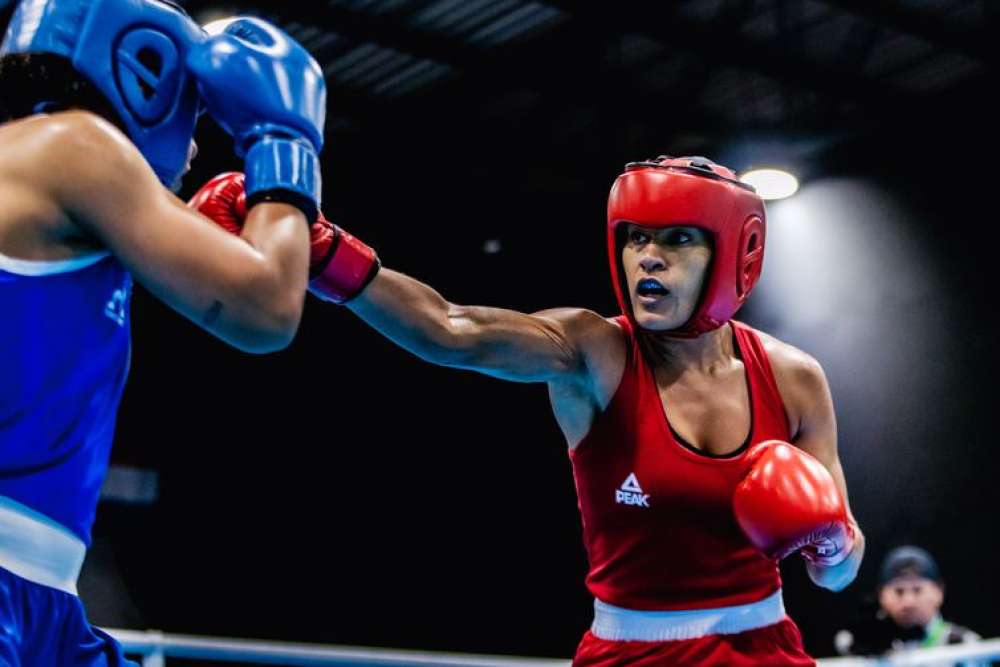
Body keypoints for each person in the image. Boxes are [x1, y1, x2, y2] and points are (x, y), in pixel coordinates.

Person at [203, 156, 866, 665]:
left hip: (766, 646)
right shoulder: (592, 351)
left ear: (734, 253)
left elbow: (840, 573)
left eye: (677, 239)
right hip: (631, 652)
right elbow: (450, 330)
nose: (649, 257)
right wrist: (323, 251)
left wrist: (829, 539)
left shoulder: (792, 378)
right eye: (635, 238)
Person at [0, 1, 325, 663]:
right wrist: (283, 141)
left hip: (44, 594)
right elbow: (266, 307)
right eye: (191, 108)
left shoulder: (31, 164)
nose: (197, 143)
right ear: (139, 72)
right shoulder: (77, 146)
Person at [835, 546, 984, 666]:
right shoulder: (865, 642)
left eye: (917, 590)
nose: (908, 602)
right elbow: (842, 640)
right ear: (881, 595)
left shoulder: (967, 645)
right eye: (898, 592)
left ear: (939, 591)